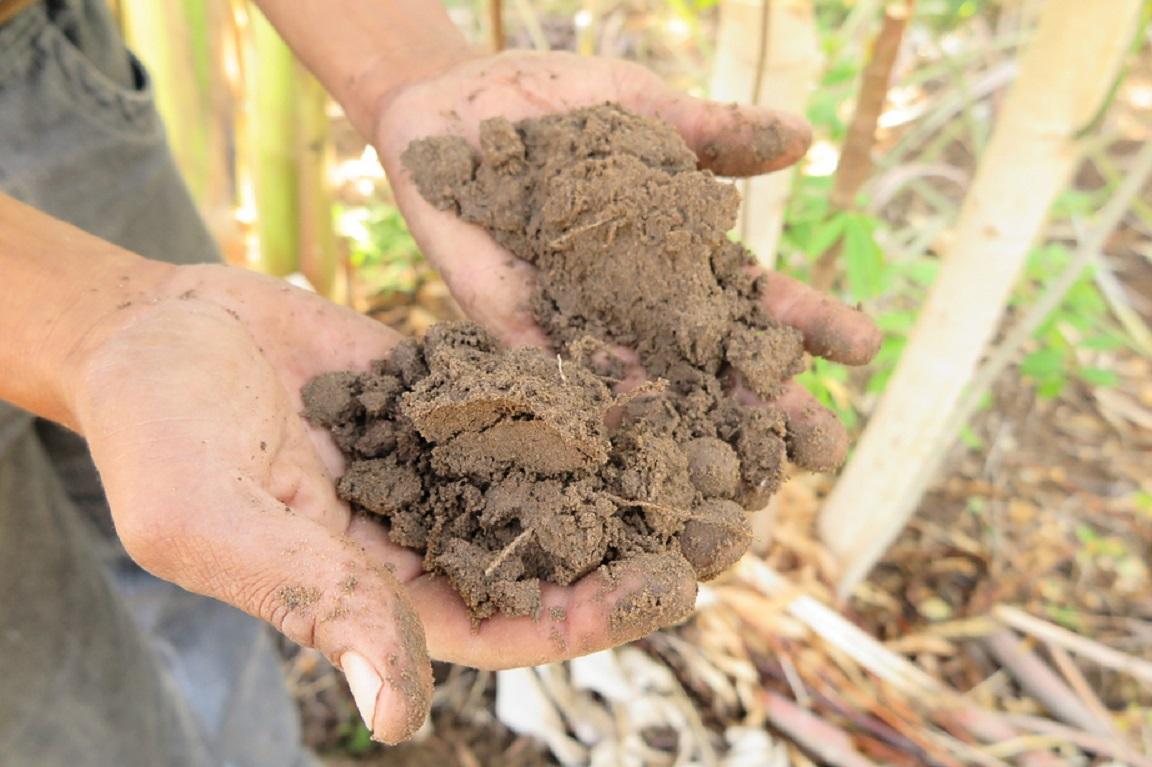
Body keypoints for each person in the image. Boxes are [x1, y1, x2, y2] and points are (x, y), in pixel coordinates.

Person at [0, 0, 881, 764]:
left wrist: (410, 71)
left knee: (215, 578)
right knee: (70, 708)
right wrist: (93, 331)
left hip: (38, 56)